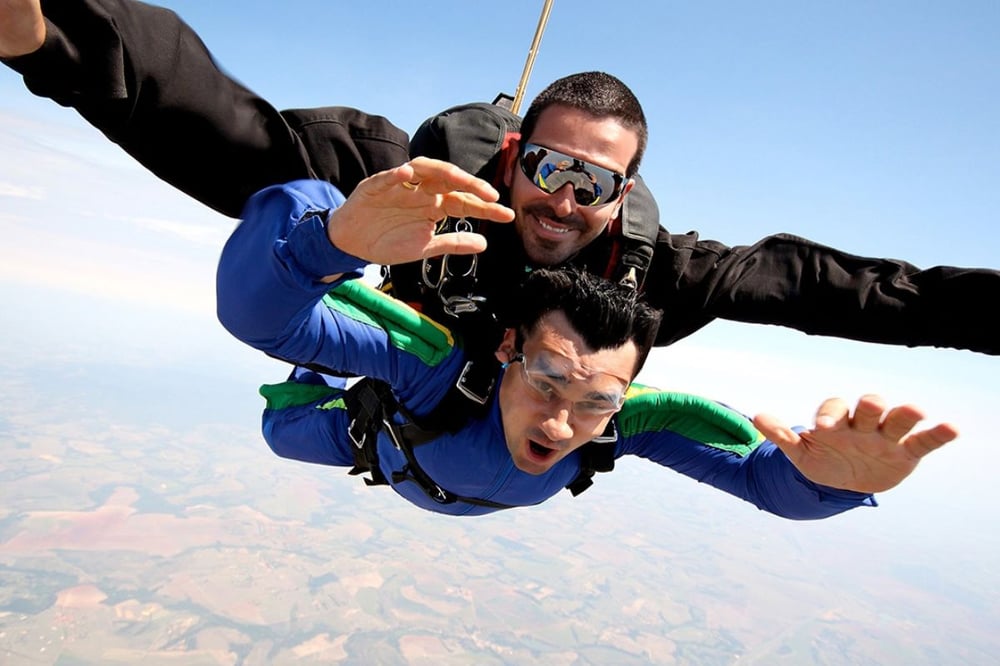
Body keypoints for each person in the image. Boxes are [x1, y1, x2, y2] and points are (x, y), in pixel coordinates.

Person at [3, 0, 998, 354]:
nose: (564, 201)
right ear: (517, 154)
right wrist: (52, 41)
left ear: (626, 190)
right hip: (417, 387)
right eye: (552, 167)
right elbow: (230, 131)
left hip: (535, 418)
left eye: (595, 183)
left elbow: (850, 293)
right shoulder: (419, 180)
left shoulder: (655, 273)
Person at [216, 158, 958, 517]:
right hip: (371, 439)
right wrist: (330, 239)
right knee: (280, 426)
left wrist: (832, 485)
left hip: (413, 463)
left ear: (626, 392)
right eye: (546, 379)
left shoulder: (631, 421)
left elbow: (762, 481)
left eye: (599, 399)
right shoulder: (430, 366)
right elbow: (257, 318)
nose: (563, 421)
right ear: (507, 349)